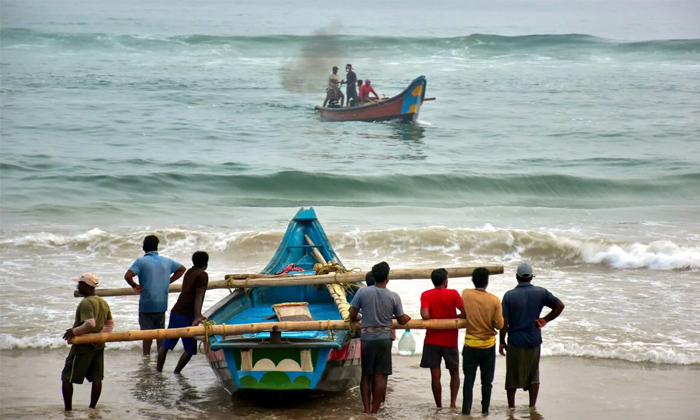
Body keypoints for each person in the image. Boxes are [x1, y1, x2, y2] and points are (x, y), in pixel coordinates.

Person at [499, 263, 565, 409]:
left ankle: (511, 407)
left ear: (517, 277)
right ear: (531, 277)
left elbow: (504, 321)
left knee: (512, 375)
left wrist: (502, 341)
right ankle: (531, 406)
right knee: (533, 374)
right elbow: (560, 305)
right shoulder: (541, 292)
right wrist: (545, 319)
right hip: (534, 339)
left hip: (515, 340)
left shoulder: (509, 296)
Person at [349, 261, 411, 413]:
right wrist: (407, 318)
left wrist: (359, 318)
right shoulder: (393, 296)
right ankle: (375, 411)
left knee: (366, 375)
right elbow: (402, 320)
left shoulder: (362, 292)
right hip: (384, 339)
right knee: (381, 376)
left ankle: (367, 409)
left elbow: (352, 315)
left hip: (367, 338)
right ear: (387, 278)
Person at [124, 235, 186, 356]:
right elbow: (182, 269)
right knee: (160, 334)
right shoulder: (167, 261)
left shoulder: (141, 262)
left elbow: (128, 276)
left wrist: (135, 286)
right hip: (161, 303)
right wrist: (168, 281)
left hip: (147, 304)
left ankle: (146, 358)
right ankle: (160, 358)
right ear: (157, 247)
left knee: (146, 335)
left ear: (144, 247)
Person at [62, 273, 114, 411]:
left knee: (67, 377)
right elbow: (110, 324)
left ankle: (68, 410)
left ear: (86, 286)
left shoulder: (86, 302)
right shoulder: (102, 302)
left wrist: (73, 332)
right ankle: (92, 408)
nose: (78, 286)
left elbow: (90, 323)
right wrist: (99, 338)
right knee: (96, 378)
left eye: (80, 283)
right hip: (98, 345)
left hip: (83, 345)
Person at [156, 251, 209, 373]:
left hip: (176, 311)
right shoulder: (202, 275)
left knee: (166, 344)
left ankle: (158, 372)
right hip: (186, 315)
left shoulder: (189, 272)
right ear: (206, 263)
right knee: (190, 349)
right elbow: (198, 297)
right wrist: (197, 316)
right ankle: (176, 372)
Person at [419, 268, 465, 409]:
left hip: (432, 339)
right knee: (454, 372)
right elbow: (465, 312)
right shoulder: (453, 293)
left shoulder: (426, 294)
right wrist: (454, 317)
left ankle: (438, 406)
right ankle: (452, 404)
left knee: (435, 375)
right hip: (450, 340)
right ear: (445, 281)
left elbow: (425, 316)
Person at [461, 267, 504, 415]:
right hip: (488, 346)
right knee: (487, 381)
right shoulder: (494, 300)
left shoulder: (466, 294)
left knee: (469, 380)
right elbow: (499, 325)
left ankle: (466, 411)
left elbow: (464, 312)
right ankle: (485, 411)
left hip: (470, 344)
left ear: (473, 281)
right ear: (487, 282)